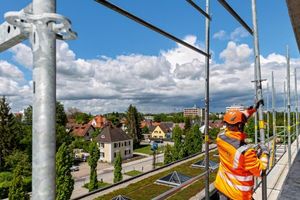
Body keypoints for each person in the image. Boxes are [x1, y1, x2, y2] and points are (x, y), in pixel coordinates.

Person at [214, 100, 269, 200]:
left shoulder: (220, 137)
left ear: (226, 124)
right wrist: (265, 153)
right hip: (239, 195)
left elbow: (239, 118)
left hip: (222, 188)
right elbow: (261, 171)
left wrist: (253, 109)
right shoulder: (246, 152)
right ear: (241, 126)